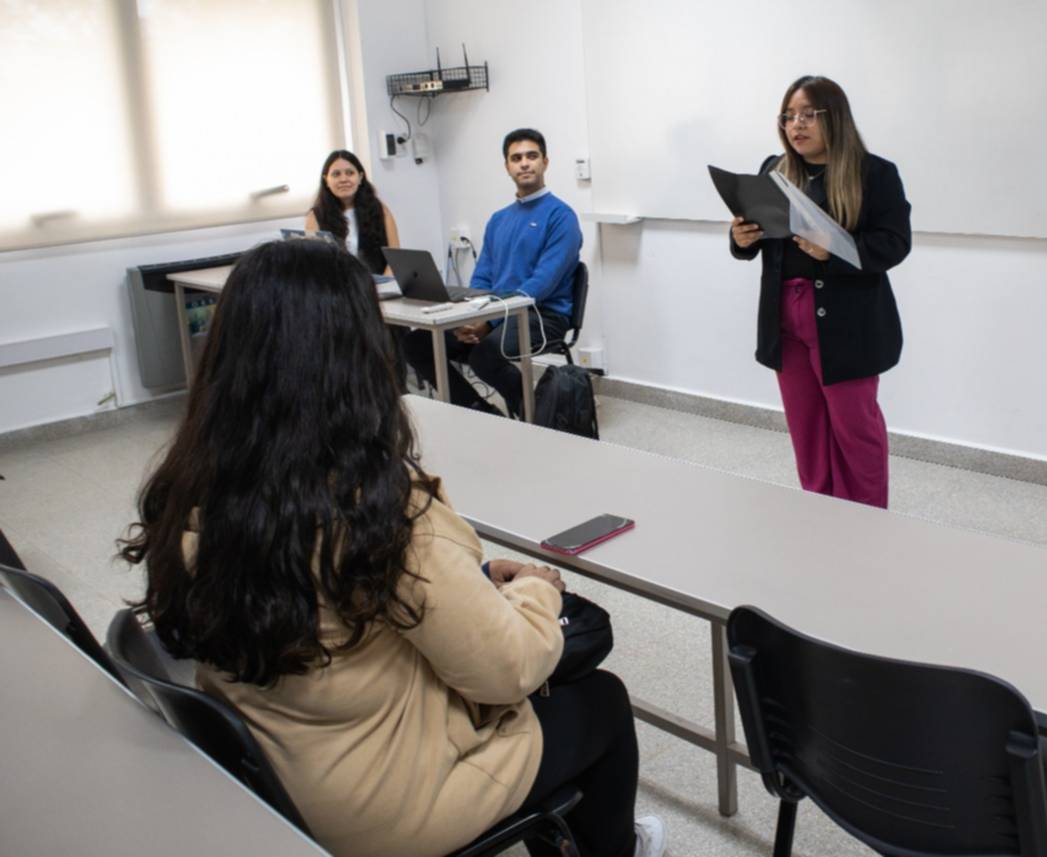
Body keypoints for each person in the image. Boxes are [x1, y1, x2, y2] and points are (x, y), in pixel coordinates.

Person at [118, 240, 662, 857]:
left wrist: (474, 575)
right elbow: (508, 669)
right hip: (386, 807)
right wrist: (536, 587)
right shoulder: (377, 510)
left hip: (277, 780)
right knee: (600, 701)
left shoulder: (195, 484)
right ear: (355, 358)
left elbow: (336, 596)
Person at [730, 76, 912, 509]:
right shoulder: (774, 170)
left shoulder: (876, 173)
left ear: (836, 118)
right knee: (806, 429)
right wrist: (741, 239)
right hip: (784, 316)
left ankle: (866, 521)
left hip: (848, 320)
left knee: (855, 430)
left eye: (809, 114)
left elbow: (894, 244)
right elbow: (757, 245)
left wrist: (835, 250)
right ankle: (820, 514)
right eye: (789, 116)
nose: (797, 125)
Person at [406, 128, 582, 417]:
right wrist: (469, 317)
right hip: (495, 315)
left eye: (531, 156)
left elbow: (541, 284)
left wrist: (488, 323)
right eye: (516, 158)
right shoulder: (499, 219)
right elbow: (482, 278)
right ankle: (480, 412)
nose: (524, 163)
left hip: (542, 314)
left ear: (545, 163)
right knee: (417, 344)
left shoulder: (561, 217)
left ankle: (532, 413)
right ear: (507, 167)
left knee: (485, 354)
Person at [307, 149, 401, 274]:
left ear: (360, 177)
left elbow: (395, 259)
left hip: (378, 287)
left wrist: (381, 287)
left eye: (350, 173)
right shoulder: (315, 216)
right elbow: (313, 263)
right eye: (336, 174)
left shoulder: (380, 210)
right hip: (336, 288)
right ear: (326, 180)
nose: (344, 179)